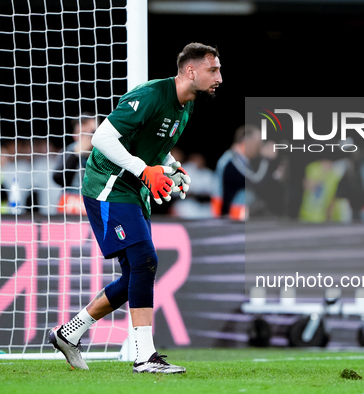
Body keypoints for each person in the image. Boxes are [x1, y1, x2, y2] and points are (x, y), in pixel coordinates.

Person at [48, 42, 222, 373]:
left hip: (132, 190)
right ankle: (145, 357)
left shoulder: (187, 107)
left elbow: (153, 147)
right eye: (213, 70)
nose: (219, 78)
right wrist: (144, 170)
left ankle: (68, 334)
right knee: (145, 260)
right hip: (108, 187)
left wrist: (171, 166)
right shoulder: (152, 95)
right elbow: (101, 138)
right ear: (190, 70)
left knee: (134, 273)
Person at [212, 124, 280, 220]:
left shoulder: (240, 159)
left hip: (233, 218)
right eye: (258, 143)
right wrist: (266, 159)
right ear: (247, 141)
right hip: (226, 218)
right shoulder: (232, 160)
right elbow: (255, 182)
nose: (260, 147)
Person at [52, 113, 98, 214]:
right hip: (72, 206)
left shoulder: (104, 152)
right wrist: (76, 154)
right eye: (84, 133)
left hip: (95, 204)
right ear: (75, 135)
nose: (90, 138)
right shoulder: (69, 151)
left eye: (93, 132)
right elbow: (58, 178)